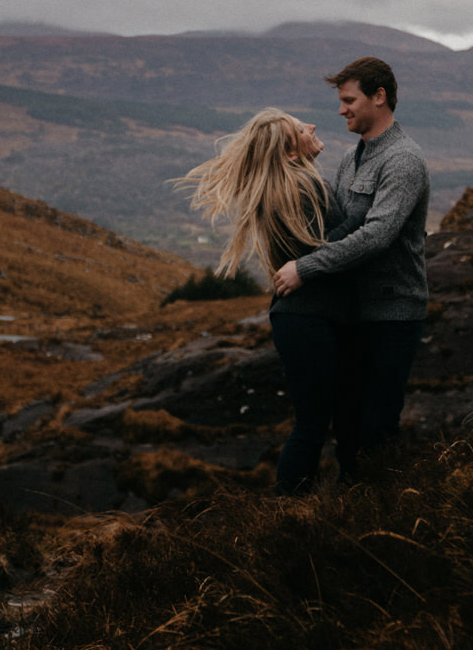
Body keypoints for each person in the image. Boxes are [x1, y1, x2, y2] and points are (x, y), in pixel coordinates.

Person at [179, 108, 355, 493]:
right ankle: (290, 513)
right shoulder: (303, 189)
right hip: (310, 321)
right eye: (299, 128)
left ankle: (297, 512)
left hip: (303, 319)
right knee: (313, 425)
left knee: (317, 422)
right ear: (290, 154)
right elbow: (330, 248)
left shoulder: (287, 188)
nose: (311, 125)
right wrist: (369, 216)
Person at [272, 56, 430, 474]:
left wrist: (303, 268)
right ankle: (350, 521)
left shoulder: (403, 161)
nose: (341, 110)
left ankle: (382, 519)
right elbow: (339, 229)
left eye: (349, 100)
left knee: (376, 429)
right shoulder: (349, 158)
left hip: (392, 312)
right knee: (348, 429)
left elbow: (376, 237)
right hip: (351, 313)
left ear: (379, 97)